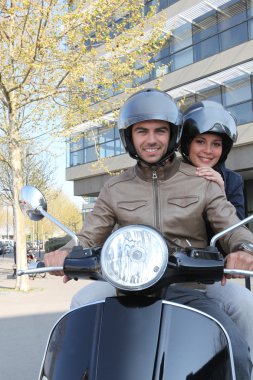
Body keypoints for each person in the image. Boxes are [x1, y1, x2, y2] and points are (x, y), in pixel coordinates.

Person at [45, 88, 253, 379]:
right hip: (126, 286)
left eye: (160, 130)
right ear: (129, 137)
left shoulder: (199, 181)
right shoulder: (115, 188)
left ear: (173, 135)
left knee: (234, 347)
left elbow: (230, 224)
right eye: (142, 131)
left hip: (190, 286)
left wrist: (244, 248)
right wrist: (65, 252)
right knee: (80, 311)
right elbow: (89, 234)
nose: (152, 139)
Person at [179, 99, 253, 371]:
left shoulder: (231, 181)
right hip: (169, 270)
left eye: (216, 144)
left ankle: (243, 368)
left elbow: (235, 229)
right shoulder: (170, 173)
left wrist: (219, 194)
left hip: (211, 273)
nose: (209, 150)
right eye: (201, 141)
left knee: (244, 304)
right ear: (186, 142)